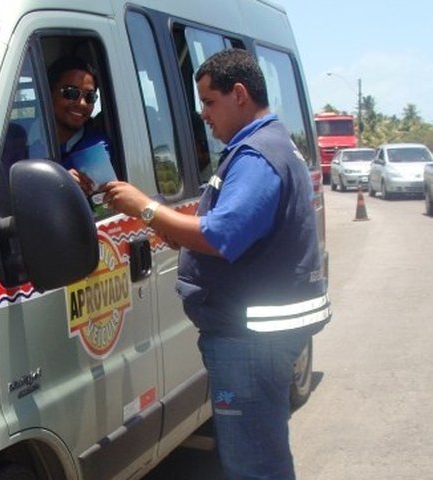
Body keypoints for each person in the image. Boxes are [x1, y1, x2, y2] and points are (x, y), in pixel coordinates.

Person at [101, 48, 330, 479]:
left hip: (249, 342)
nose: (203, 115)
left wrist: (146, 207)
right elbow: (231, 228)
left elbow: (221, 234)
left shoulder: (257, 154)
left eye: (208, 102)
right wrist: (177, 231)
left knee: (254, 466)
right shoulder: (269, 145)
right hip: (253, 338)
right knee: (263, 454)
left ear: (239, 94)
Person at [33, 56, 113, 194]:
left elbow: (98, 202)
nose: (82, 103)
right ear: (47, 92)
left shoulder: (95, 148)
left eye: (90, 97)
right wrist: (56, 180)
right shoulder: (12, 140)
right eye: (71, 93)